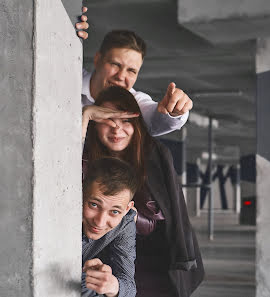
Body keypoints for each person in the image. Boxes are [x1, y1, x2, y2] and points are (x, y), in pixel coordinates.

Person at [82, 86, 204, 297]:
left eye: (126, 120)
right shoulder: (83, 159)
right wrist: (86, 114)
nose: (116, 129)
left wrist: (128, 218)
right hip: (100, 257)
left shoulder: (154, 154)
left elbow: (170, 212)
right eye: (108, 120)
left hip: (153, 257)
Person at [82, 157, 139, 297]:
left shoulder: (125, 223)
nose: (100, 222)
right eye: (94, 205)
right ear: (81, 193)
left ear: (127, 209)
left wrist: (112, 285)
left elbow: (129, 286)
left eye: (114, 212)